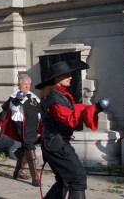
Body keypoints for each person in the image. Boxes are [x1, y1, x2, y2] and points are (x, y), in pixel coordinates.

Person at [36, 60, 104, 199]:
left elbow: (64, 115)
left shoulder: (57, 94)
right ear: (57, 78)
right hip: (56, 144)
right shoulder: (54, 96)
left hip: (54, 141)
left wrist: (89, 110)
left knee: (64, 181)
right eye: (66, 75)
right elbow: (69, 119)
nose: (70, 77)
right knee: (77, 178)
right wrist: (94, 109)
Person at [0, 74, 41, 186]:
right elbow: (13, 109)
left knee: (26, 146)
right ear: (19, 85)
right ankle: (35, 178)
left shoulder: (33, 96)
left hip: (32, 125)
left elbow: (39, 111)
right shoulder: (14, 96)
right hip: (21, 125)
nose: (26, 86)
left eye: (28, 84)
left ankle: (18, 169)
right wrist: (17, 101)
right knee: (29, 146)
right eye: (24, 84)